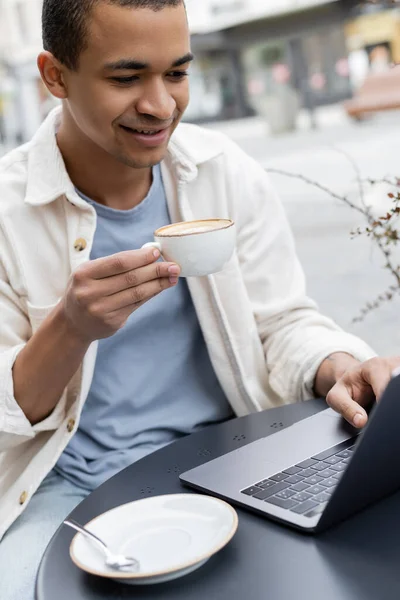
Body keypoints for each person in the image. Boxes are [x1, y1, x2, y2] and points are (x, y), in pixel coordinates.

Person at [0, 1, 399, 598]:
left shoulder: (225, 173)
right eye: (126, 77)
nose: (160, 105)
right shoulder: (8, 212)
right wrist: (71, 327)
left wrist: (339, 366)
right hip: (67, 488)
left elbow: (282, 321)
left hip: (235, 461)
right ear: (55, 75)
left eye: (177, 73)